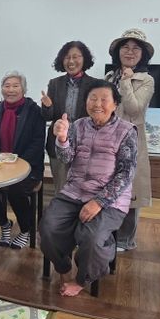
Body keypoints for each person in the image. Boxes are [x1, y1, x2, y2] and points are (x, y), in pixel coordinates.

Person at [40, 80, 137, 296]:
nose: (97, 104)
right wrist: (62, 139)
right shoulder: (78, 125)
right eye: (93, 99)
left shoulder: (126, 131)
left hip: (109, 200)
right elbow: (66, 158)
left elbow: (126, 173)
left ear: (115, 104)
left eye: (104, 99)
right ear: (86, 103)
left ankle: (82, 279)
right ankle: (63, 266)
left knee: (92, 239)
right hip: (74, 192)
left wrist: (99, 202)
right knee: (47, 227)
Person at [0, 71, 46, 249]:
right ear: (2, 89)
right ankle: (4, 223)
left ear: (23, 89)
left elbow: (38, 142)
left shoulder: (34, 110)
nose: (10, 90)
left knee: (16, 189)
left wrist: (17, 162)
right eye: (7, 86)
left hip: (28, 166)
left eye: (15, 86)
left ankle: (25, 229)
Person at [105, 28, 155, 252]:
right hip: (108, 139)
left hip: (130, 141)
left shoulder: (146, 79)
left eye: (136, 48)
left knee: (130, 188)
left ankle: (126, 239)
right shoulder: (109, 77)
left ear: (143, 54)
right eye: (125, 47)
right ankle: (108, 233)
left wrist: (126, 81)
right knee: (108, 184)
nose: (130, 51)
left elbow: (134, 109)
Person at [40, 41, 98, 194]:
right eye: (67, 57)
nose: (71, 61)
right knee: (61, 188)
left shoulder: (95, 84)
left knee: (84, 189)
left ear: (84, 59)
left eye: (76, 57)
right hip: (58, 142)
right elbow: (48, 117)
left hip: (85, 144)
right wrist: (47, 106)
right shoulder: (55, 84)